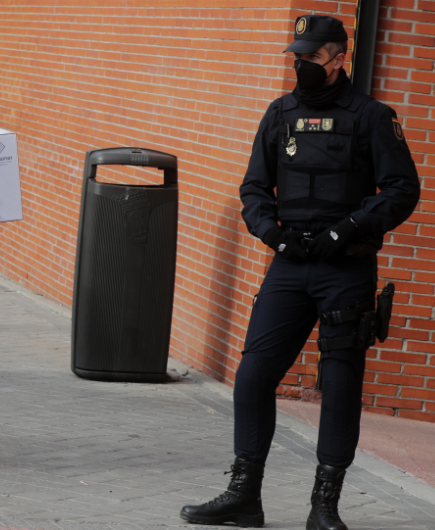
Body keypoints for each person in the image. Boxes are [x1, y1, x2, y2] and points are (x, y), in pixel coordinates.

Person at [180, 15, 420, 530]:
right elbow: (253, 189)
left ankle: (324, 508)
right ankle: (244, 496)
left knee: (339, 387)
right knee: (253, 375)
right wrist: (274, 233)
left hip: (345, 270)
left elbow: (402, 189)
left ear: (339, 60)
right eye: (297, 56)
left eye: (311, 57)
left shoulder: (372, 116)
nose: (300, 65)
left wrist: (347, 229)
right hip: (289, 266)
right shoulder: (280, 113)